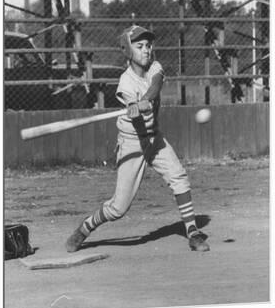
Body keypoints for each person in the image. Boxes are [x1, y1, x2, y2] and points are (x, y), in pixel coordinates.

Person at [65, 25, 209, 253]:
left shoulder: (155, 66)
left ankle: (192, 232)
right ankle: (85, 228)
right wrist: (133, 108)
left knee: (179, 177)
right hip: (132, 143)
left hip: (154, 138)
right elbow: (132, 104)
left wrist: (147, 99)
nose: (146, 50)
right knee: (118, 208)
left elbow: (157, 83)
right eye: (139, 46)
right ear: (128, 50)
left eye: (148, 45)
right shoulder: (125, 82)